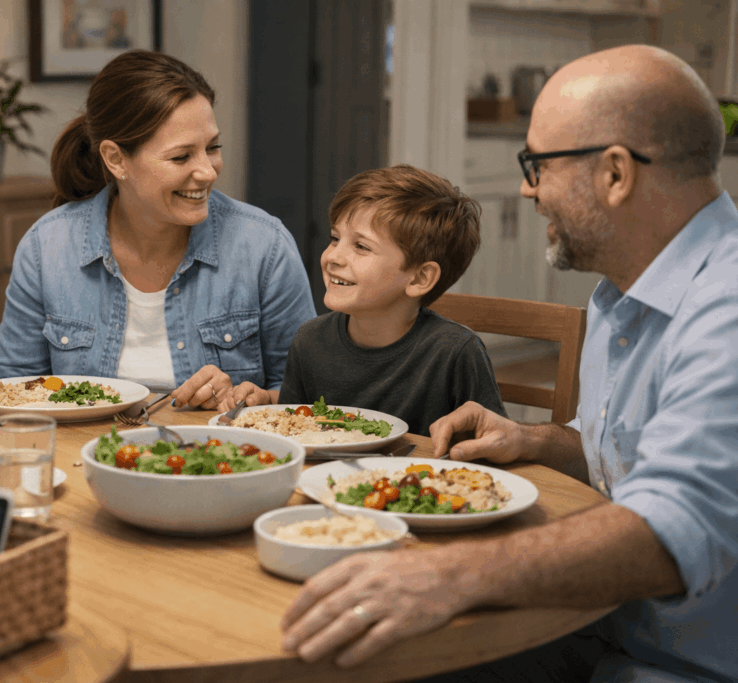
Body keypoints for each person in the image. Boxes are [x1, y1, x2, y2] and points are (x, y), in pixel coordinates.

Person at [277, 44, 738, 682]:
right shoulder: (620, 297)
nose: (526, 189)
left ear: (614, 174)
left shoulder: (727, 305)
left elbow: (678, 525)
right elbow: (629, 460)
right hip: (586, 626)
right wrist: (536, 439)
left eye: (537, 164)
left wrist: (449, 575)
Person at [0, 50, 316, 410]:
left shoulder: (264, 247)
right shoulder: (47, 246)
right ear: (116, 159)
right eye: (181, 157)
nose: (207, 171)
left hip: (218, 460)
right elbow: (10, 391)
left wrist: (257, 398)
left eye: (213, 148)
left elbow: (310, 397)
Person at [235, 165, 506, 436]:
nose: (333, 257)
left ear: (419, 279)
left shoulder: (456, 352)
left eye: (361, 247)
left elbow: (492, 444)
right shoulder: (308, 342)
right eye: (335, 238)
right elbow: (294, 434)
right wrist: (268, 401)